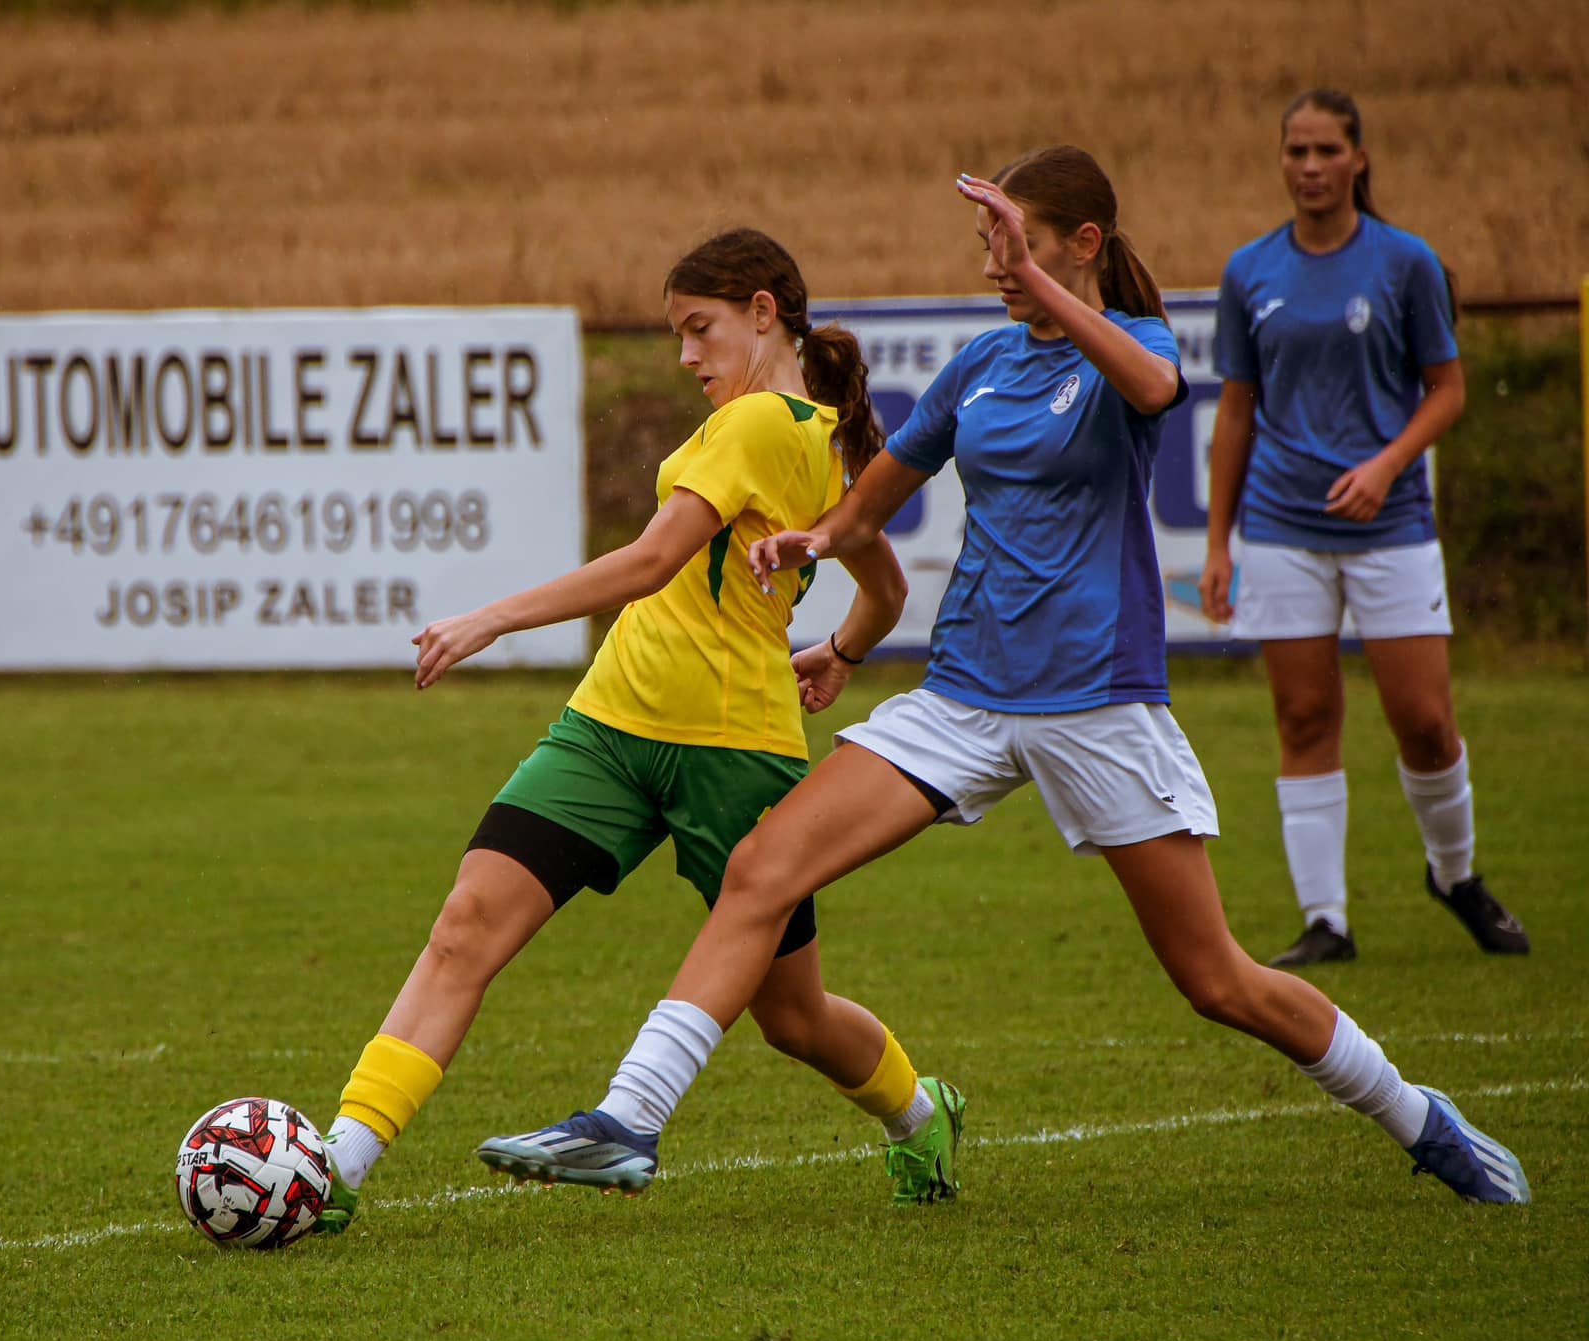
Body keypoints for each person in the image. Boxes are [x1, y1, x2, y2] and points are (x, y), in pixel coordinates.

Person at [480, 148, 1530, 1207]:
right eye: (990, 245)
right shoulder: (981, 362)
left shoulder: (1138, 346)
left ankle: (1418, 1116)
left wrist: (1039, 287)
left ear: (1083, 245)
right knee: (760, 870)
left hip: (1097, 706)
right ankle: (629, 1120)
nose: (995, 265)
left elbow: (1157, 389)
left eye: (1015, 243)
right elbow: (871, 501)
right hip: (963, 699)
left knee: (1217, 981)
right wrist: (823, 563)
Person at [316, 228, 965, 1233]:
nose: (685, 356)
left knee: (793, 1018)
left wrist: (491, 618)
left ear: (762, 312)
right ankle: (335, 1166)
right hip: (608, 726)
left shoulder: (761, 423)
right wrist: (842, 649)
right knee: (466, 924)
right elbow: (882, 588)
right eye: (676, 335)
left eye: (699, 329)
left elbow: (652, 561)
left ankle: (920, 1114)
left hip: (732, 750)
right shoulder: (825, 438)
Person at [1199, 88, 1526, 967]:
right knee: (1305, 717)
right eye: (1295, 151)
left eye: (1326, 150)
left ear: (1359, 158)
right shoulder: (1249, 271)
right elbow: (1236, 412)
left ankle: (1454, 875)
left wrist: (1387, 466)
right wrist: (1220, 542)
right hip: (1281, 527)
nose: (1310, 167)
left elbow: (1446, 390)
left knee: (1424, 722)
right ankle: (1327, 921)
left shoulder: (1404, 262)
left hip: (1393, 526)